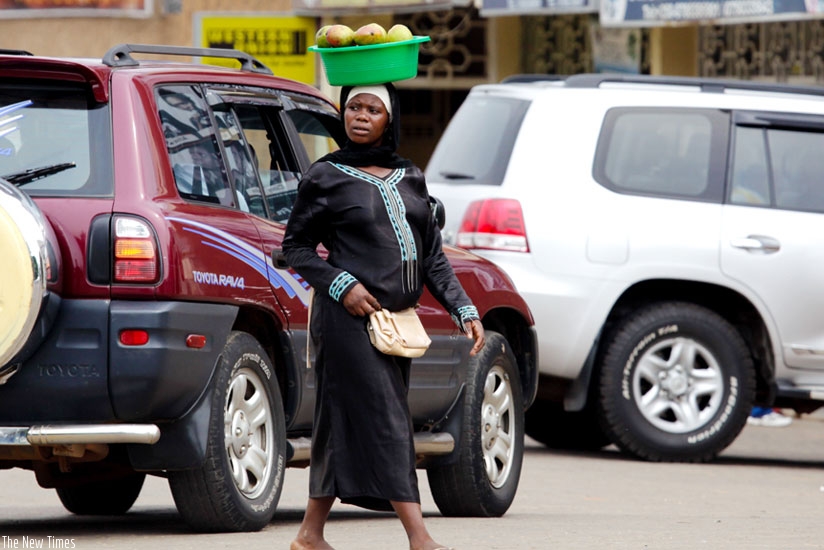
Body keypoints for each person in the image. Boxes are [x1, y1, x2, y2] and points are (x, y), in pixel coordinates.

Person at [283, 83, 485, 550]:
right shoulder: (325, 175)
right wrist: (342, 284)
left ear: (388, 120)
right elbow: (294, 247)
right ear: (343, 112)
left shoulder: (410, 176)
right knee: (390, 418)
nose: (361, 115)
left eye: (373, 109)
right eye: (354, 106)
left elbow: (432, 256)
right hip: (346, 322)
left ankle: (310, 535)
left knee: (337, 422)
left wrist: (464, 307)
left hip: (396, 323)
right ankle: (420, 538)